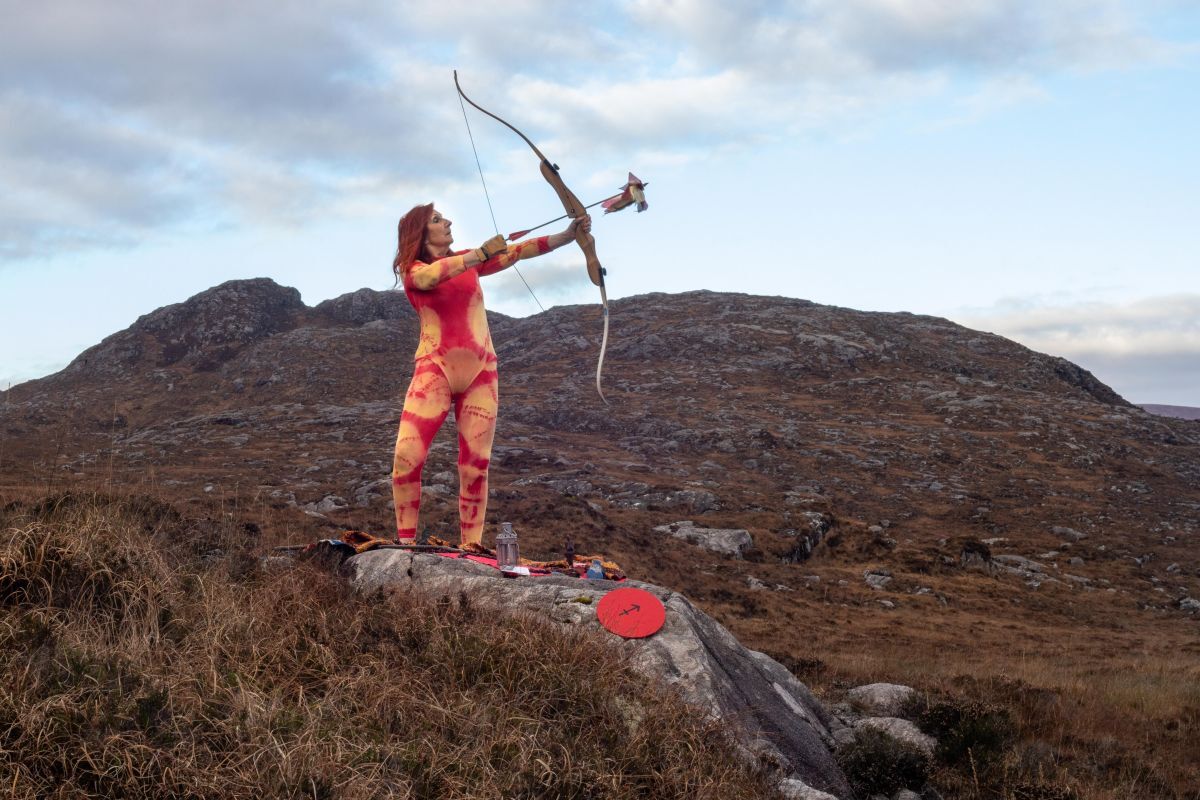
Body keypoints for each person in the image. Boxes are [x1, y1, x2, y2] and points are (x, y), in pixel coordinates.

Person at [390, 204, 591, 546]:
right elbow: (428, 277)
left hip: (482, 372)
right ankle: (406, 544)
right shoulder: (415, 271)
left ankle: (472, 546)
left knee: (476, 466)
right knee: (406, 458)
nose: (448, 221)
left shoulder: (469, 261)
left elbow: (518, 251)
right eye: (437, 220)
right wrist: (479, 254)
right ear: (419, 233)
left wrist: (569, 235)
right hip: (434, 369)